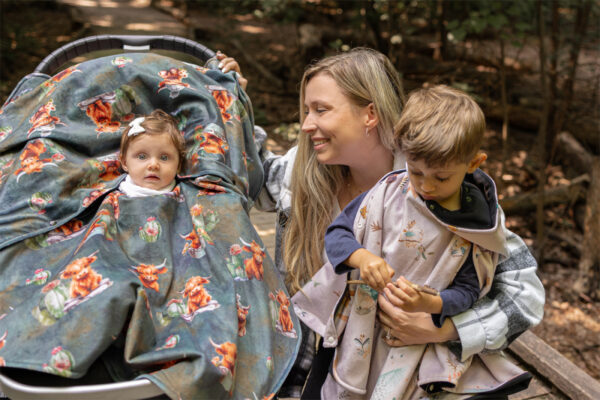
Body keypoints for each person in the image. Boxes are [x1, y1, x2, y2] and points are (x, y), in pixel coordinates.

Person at [249, 47, 544, 399]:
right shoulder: (306, 170)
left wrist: (444, 329)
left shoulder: (440, 187)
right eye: (307, 110)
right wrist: (229, 101)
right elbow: (249, 178)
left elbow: (523, 297)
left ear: (370, 114)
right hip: (315, 363)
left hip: (414, 375)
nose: (307, 124)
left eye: (321, 110)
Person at [301, 84, 529, 398]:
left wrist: (430, 303)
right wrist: (362, 259)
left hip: (420, 346)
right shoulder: (388, 192)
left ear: (474, 163)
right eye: (416, 170)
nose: (425, 186)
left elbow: (468, 291)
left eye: (441, 177)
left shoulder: (479, 227)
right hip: (362, 330)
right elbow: (338, 234)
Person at [118, 109, 185, 196]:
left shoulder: (186, 198)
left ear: (178, 165)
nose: (153, 165)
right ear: (125, 163)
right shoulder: (112, 198)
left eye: (164, 158)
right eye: (142, 157)